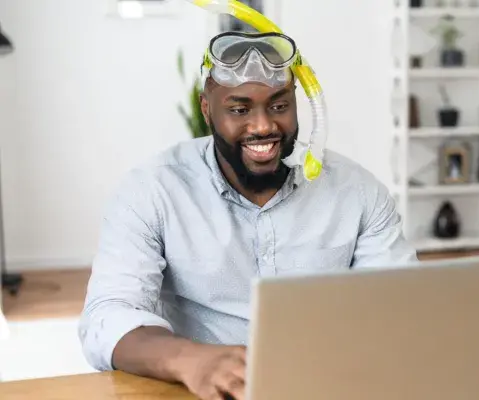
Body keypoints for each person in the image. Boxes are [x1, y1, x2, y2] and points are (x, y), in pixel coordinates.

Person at [78, 31, 417, 400]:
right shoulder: (152, 191)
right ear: (207, 108)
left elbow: (401, 310)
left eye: (279, 105)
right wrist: (193, 361)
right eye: (239, 110)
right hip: (199, 391)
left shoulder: (359, 192)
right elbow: (107, 318)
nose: (263, 127)